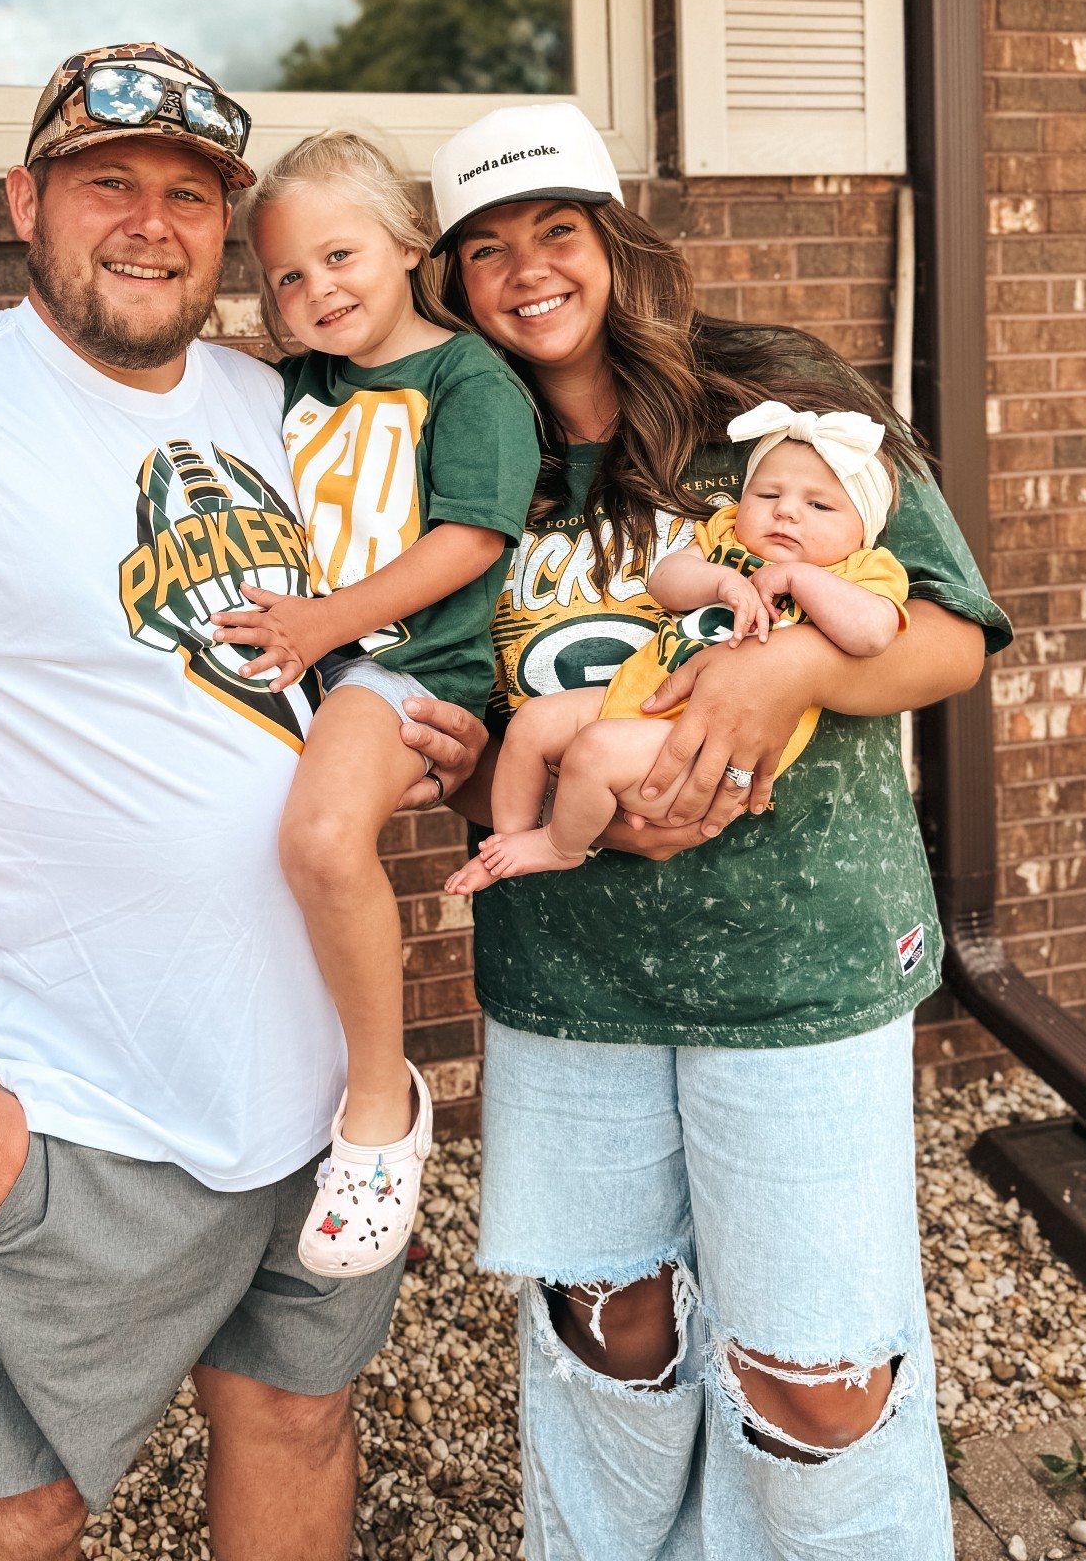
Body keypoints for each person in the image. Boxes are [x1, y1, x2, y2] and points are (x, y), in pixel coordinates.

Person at [0, 45, 479, 1561]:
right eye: (107, 184)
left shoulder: (287, 407)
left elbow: (337, 658)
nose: (150, 223)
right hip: (91, 1110)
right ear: (25, 202)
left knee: (298, 1416)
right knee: (22, 1510)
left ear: (229, 229)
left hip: (328, 1095)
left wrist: (414, 734)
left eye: (191, 196)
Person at [427, 101, 1010, 1560]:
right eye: (484, 247)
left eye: (556, 229)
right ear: (451, 283)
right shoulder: (449, 446)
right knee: (610, 1338)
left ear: (614, 239)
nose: (528, 270)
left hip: (797, 960)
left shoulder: (776, 394)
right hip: (570, 965)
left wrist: (790, 664)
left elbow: (952, 637)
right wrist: (491, 768)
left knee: (818, 1383)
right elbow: (437, 697)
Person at [210, 131, 538, 1277]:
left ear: (409, 245)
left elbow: (471, 536)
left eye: (340, 253)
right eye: (288, 277)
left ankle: (377, 1109)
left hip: (403, 665)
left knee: (319, 834)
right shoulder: (296, 383)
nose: (316, 290)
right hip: (313, 661)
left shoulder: (466, 377)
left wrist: (324, 622)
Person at [448, 398, 909, 887]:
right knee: (533, 722)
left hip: (703, 744)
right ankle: (509, 840)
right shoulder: (726, 536)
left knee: (593, 751)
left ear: (865, 528)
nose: (787, 512)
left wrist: (798, 578)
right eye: (768, 495)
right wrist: (720, 583)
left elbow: (873, 634)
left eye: (818, 505)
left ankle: (561, 846)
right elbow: (665, 579)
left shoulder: (861, 569)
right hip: (641, 697)